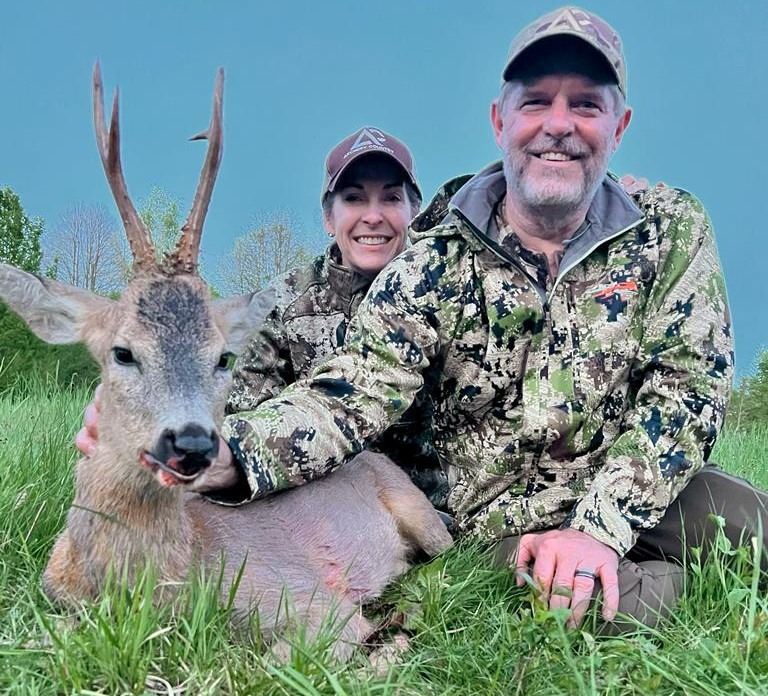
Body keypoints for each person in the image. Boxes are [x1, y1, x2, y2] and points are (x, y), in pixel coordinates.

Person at [182, 6, 767, 633]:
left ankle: (650, 565)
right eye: (536, 102)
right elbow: (350, 392)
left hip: (633, 481)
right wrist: (227, 452)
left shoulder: (670, 229)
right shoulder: (431, 263)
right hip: (501, 520)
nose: (559, 125)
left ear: (619, 126)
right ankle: (667, 589)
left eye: (586, 105)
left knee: (753, 530)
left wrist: (599, 528)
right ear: (499, 121)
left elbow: (688, 390)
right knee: (620, 606)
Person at [78, 125, 448, 504]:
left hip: (437, 505)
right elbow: (236, 409)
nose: (373, 216)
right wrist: (137, 412)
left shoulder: (447, 282)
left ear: (413, 211)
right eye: (354, 198)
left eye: (391, 198)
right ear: (328, 217)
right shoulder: (283, 302)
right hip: (324, 505)